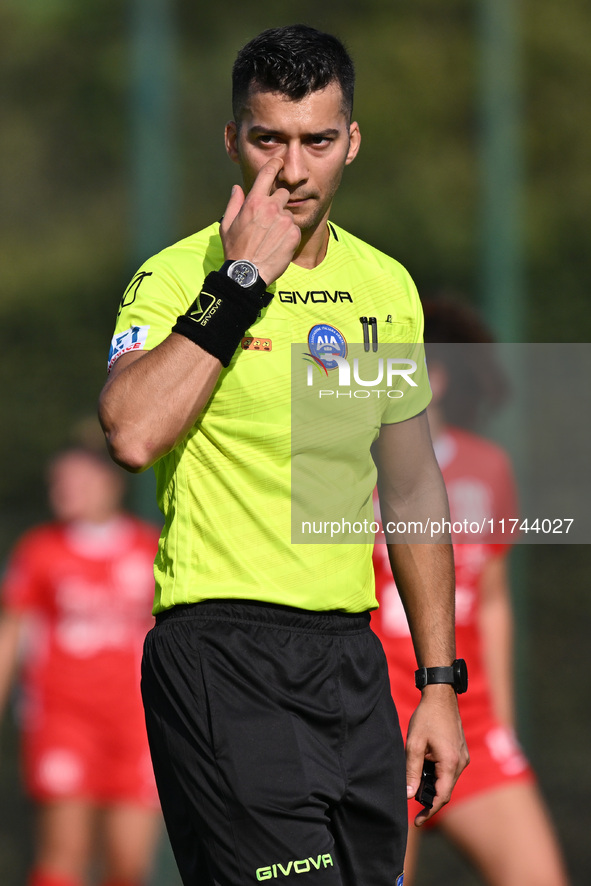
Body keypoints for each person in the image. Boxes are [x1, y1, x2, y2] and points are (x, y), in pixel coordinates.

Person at [98, 25, 468, 886]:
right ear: (233, 140)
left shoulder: (385, 288)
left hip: (349, 661)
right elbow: (132, 432)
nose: (291, 171)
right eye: (268, 139)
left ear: (352, 143)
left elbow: (412, 487)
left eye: (316, 141)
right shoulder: (174, 276)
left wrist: (439, 684)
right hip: (219, 655)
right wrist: (240, 283)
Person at [371, 298, 570, 886]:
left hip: (468, 719)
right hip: (380, 723)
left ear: (437, 377)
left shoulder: (489, 467)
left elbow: (495, 600)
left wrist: (500, 724)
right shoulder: (355, 469)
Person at [0, 441, 162, 886]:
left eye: (78, 480)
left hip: (136, 724)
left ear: (110, 484)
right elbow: (12, 632)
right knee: (63, 856)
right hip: (63, 718)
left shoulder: (149, 549)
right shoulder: (40, 551)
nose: (64, 490)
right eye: (59, 481)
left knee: (128, 864)